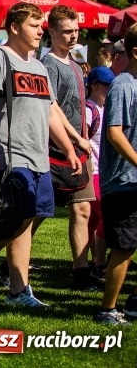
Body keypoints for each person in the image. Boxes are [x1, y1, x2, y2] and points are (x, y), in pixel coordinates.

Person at [0, 2, 81, 308]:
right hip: (9, 154)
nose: (41, 30)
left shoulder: (39, 66)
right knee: (15, 218)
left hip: (38, 155)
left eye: (41, 25)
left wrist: (68, 148)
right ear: (14, 27)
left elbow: (51, 110)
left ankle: (18, 291)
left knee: (26, 220)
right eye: (34, 25)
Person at [36, 5, 98, 291]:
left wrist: (83, 140)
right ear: (51, 32)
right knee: (37, 211)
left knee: (83, 209)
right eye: (67, 31)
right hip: (55, 149)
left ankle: (81, 272)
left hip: (78, 149)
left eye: (76, 30)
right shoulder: (48, 64)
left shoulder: (74, 63)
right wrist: (76, 138)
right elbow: (52, 107)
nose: (73, 36)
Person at [95, 23, 137, 325]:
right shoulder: (123, 84)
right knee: (123, 248)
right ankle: (107, 310)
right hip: (122, 182)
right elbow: (114, 133)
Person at [85, 66, 115, 281]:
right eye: (107, 86)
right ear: (94, 86)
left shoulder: (107, 109)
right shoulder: (89, 109)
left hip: (104, 173)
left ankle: (89, 261)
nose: (111, 89)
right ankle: (100, 263)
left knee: (94, 220)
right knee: (106, 217)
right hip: (92, 172)